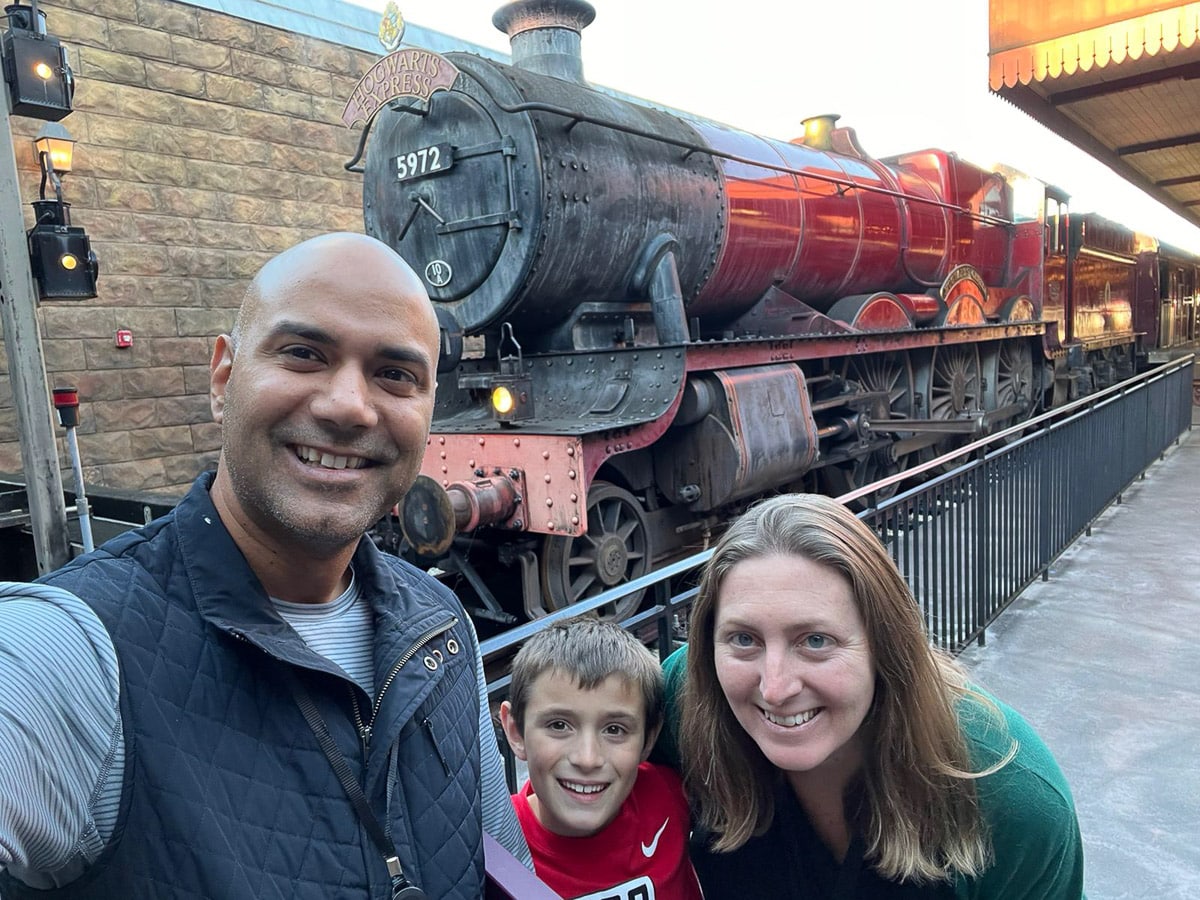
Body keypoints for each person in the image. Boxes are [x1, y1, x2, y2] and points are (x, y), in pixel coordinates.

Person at [0, 232, 530, 899]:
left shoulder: (441, 625)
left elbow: (504, 864)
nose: (348, 405)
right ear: (224, 376)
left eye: (395, 374)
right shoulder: (70, 651)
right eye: (304, 354)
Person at [662, 493, 1085, 899]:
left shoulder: (1009, 796)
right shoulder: (684, 699)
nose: (775, 688)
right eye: (743, 638)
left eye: (814, 640)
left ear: (885, 644)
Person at [499, 617, 702, 900]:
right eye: (558, 725)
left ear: (649, 739)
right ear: (516, 731)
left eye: (615, 730)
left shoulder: (668, 794)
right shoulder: (495, 845)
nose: (588, 759)